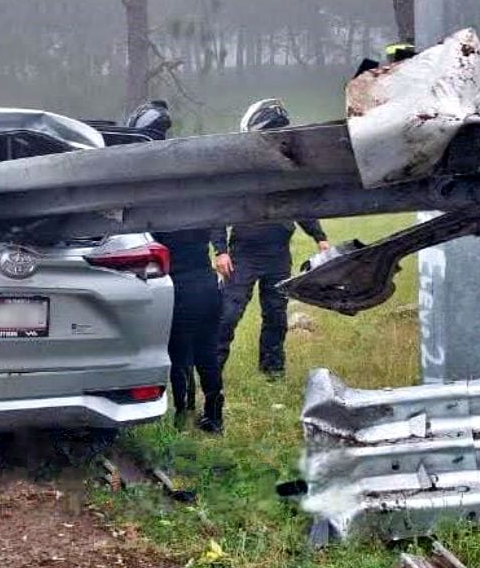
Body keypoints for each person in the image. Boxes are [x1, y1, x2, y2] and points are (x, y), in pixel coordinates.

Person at [211, 99, 330, 380]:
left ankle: (273, 371)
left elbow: (299, 206)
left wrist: (319, 237)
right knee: (228, 314)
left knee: (276, 316)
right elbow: (218, 212)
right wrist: (220, 251)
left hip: (278, 254)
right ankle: (212, 371)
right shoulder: (239, 170)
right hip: (243, 254)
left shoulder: (285, 168)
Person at [127, 100, 225, 433]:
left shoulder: (154, 206)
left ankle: (183, 418)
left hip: (178, 288)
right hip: (207, 284)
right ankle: (214, 417)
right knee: (207, 353)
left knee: (179, 355)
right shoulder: (196, 198)